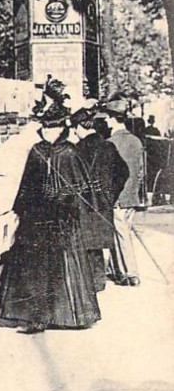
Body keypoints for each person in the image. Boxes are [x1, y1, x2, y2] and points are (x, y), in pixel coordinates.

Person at [0, 98, 101, 334]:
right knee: (33, 268)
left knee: (62, 266)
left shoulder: (70, 153)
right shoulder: (36, 151)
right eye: (45, 127)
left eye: (52, 128)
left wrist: (67, 203)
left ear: (61, 129)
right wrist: (19, 209)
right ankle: (34, 317)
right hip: (34, 221)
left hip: (62, 221)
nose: (47, 132)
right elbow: (25, 185)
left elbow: (82, 188)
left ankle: (65, 316)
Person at [71, 106, 129, 292]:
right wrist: (110, 196)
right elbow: (123, 173)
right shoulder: (108, 146)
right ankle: (98, 282)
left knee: (82, 246)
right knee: (96, 246)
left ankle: (86, 286)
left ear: (80, 127)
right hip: (103, 205)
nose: (73, 132)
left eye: (74, 127)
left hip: (82, 204)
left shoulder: (77, 150)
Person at [101, 95, 145, 286]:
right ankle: (116, 269)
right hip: (132, 196)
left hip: (118, 198)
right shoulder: (136, 141)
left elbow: (109, 174)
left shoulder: (111, 143)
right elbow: (141, 171)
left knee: (121, 235)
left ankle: (130, 273)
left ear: (112, 118)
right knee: (122, 232)